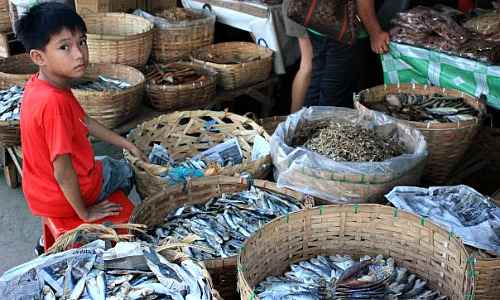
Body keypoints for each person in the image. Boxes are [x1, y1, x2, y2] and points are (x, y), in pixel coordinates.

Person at [16, 3, 146, 253]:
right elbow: (63, 171)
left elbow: (85, 121)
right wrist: (85, 212)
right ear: (38, 57)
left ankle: (47, 241)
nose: (79, 54)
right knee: (126, 170)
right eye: (64, 47)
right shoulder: (54, 103)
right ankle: (96, 234)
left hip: (39, 191)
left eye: (82, 42)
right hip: (62, 196)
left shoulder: (43, 86)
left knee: (104, 159)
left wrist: (127, 143)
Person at [284, 0, 390, 112]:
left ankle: (305, 125)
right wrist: (375, 32)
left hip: (317, 20)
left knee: (317, 82)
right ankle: (321, 126)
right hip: (342, 30)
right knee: (333, 96)